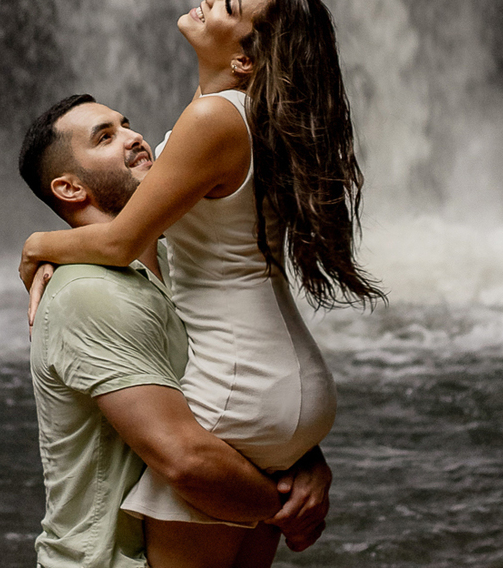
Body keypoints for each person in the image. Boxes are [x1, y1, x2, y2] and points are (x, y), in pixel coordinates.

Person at [20, 0, 381, 568]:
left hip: (239, 387)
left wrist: (38, 245)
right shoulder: (248, 115)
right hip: (284, 382)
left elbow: (118, 241)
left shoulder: (213, 119)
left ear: (245, 60)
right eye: (107, 135)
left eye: (230, 3)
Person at [18, 94, 332, 568]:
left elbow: (239, 386)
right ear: (69, 188)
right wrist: (288, 505)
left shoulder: (177, 260)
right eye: (105, 137)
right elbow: (185, 461)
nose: (134, 137)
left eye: (127, 124)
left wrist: (304, 459)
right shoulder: (89, 292)